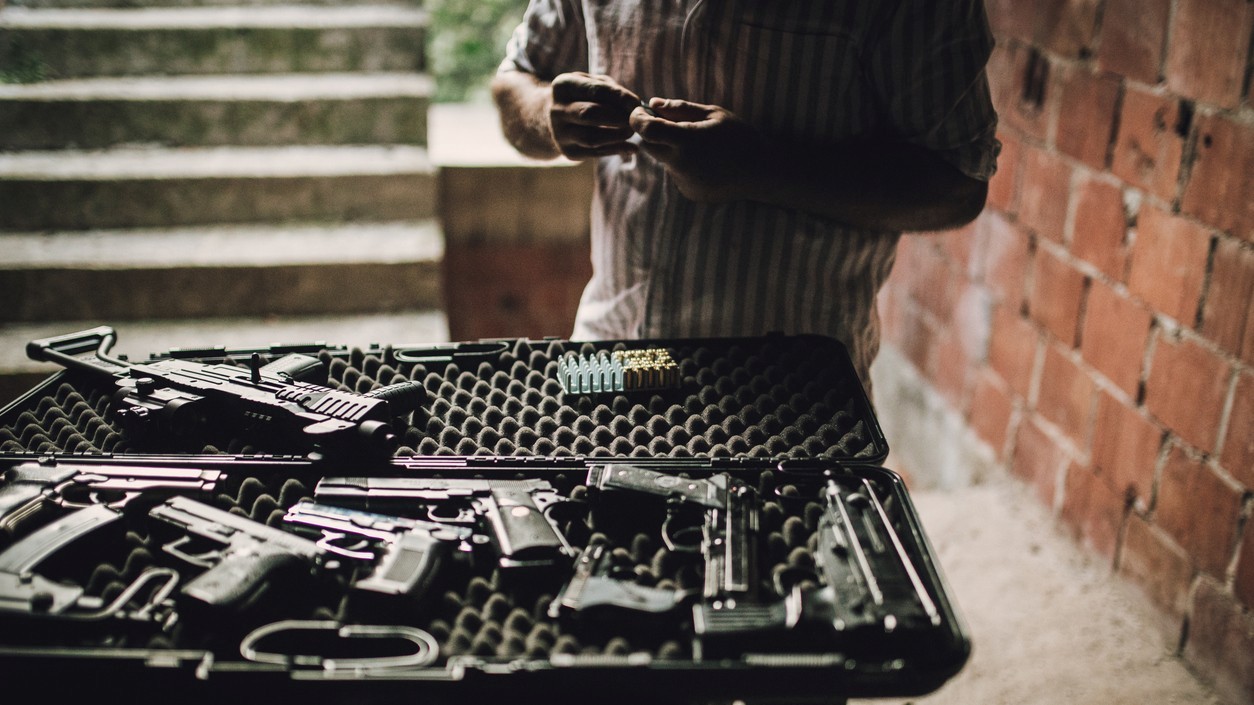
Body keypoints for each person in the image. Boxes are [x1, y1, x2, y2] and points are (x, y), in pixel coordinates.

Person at [491, 1, 1000, 390]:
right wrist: (546, 115)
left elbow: (957, 184)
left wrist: (760, 168)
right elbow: (515, 81)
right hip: (608, 358)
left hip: (793, 400)